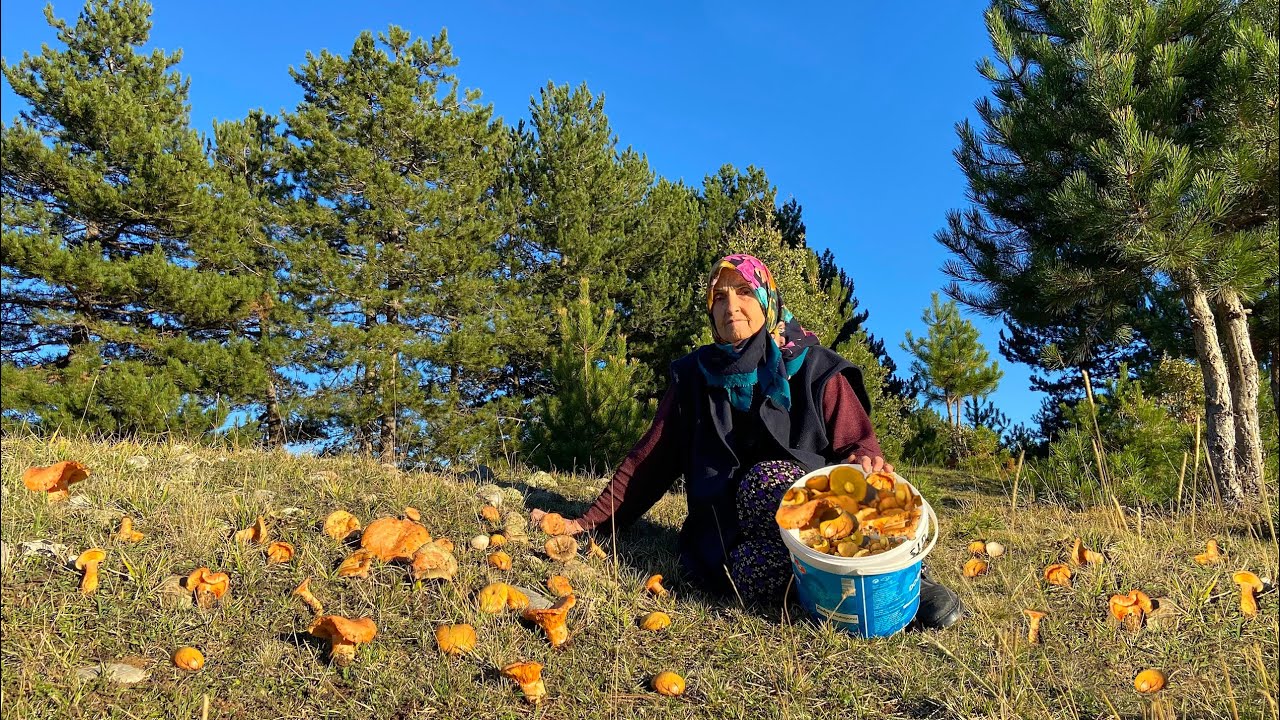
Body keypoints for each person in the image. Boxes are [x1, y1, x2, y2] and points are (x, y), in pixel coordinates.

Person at [530, 253, 962, 629]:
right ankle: (828, 599)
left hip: (818, 521)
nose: (731, 306)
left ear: (767, 299)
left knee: (769, 480)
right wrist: (588, 523)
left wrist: (867, 464)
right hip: (728, 529)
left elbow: (857, 444)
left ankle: (896, 582)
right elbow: (650, 461)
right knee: (747, 576)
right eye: (719, 296)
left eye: (744, 292)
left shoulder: (813, 367)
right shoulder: (694, 377)